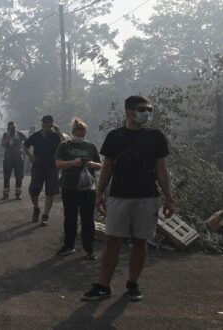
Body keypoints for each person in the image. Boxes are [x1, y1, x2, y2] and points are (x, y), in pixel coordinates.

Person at [82, 96, 173, 302]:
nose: (146, 112)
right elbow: (107, 168)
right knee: (112, 241)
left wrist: (169, 198)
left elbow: (161, 169)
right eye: (141, 109)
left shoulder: (156, 136)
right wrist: (99, 194)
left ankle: (133, 284)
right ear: (128, 111)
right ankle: (103, 286)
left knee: (140, 241)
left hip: (147, 197)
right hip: (118, 196)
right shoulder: (115, 136)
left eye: (149, 109)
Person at [55, 118, 102, 260]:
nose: (80, 138)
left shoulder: (91, 147)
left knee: (88, 219)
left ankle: (90, 249)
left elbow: (101, 165)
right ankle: (69, 245)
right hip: (69, 187)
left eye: (83, 135)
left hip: (88, 188)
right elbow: (58, 164)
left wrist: (93, 164)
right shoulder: (64, 146)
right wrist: (72, 163)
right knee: (70, 217)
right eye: (78, 134)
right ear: (73, 132)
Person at [24, 115, 62, 226]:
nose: (45, 125)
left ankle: (45, 215)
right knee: (33, 191)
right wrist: (30, 155)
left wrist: (59, 132)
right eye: (44, 123)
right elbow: (25, 145)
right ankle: (36, 208)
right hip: (37, 167)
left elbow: (65, 144)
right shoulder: (35, 136)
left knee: (50, 192)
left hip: (52, 168)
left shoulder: (55, 136)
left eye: (48, 123)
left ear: (51, 124)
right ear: (42, 124)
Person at [1, 121, 27, 200]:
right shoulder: (5, 135)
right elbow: (2, 144)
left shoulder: (20, 135)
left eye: (13, 128)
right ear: (7, 128)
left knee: (19, 176)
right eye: (10, 128)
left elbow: (28, 141)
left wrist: (23, 149)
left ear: (16, 127)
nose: (12, 129)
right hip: (8, 159)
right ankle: (6, 194)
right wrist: (8, 138)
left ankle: (18, 193)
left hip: (18, 159)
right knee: (6, 177)